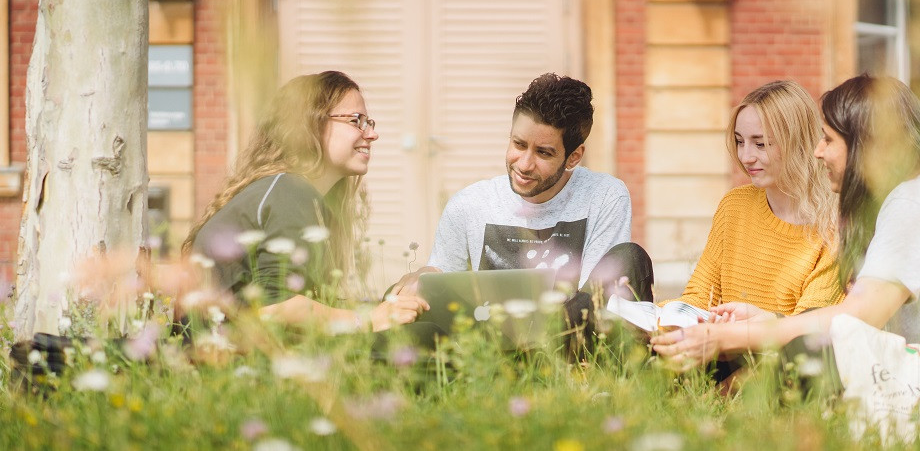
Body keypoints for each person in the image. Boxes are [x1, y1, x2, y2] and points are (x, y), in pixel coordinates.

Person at [651, 74, 920, 420]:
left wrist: (730, 338)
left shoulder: (915, 202)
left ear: (866, 146)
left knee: (813, 353)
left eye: (828, 139)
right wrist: (765, 318)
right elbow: (860, 320)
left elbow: (856, 320)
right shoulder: (917, 196)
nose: (817, 151)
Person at [390, 73, 652, 349]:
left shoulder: (605, 195)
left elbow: (595, 305)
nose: (524, 164)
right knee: (399, 293)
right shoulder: (469, 204)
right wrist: (426, 274)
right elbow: (441, 293)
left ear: (574, 156)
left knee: (630, 258)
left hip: (568, 349)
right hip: (487, 350)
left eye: (544, 153)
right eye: (518, 144)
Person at [183, 71, 428, 332]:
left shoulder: (292, 191)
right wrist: (369, 319)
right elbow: (277, 306)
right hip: (217, 363)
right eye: (356, 120)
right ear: (309, 124)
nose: (371, 135)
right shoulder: (289, 190)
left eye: (369, 122)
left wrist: (385, 305)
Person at [670, 80, 841, 316]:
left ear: (797, 143)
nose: (745, 156)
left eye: (760, 144)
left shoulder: (834, 224)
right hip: (719, 348)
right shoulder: (734, 205)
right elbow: (700, 296)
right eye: (740, 142)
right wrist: (653, 315)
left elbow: (807, 331)